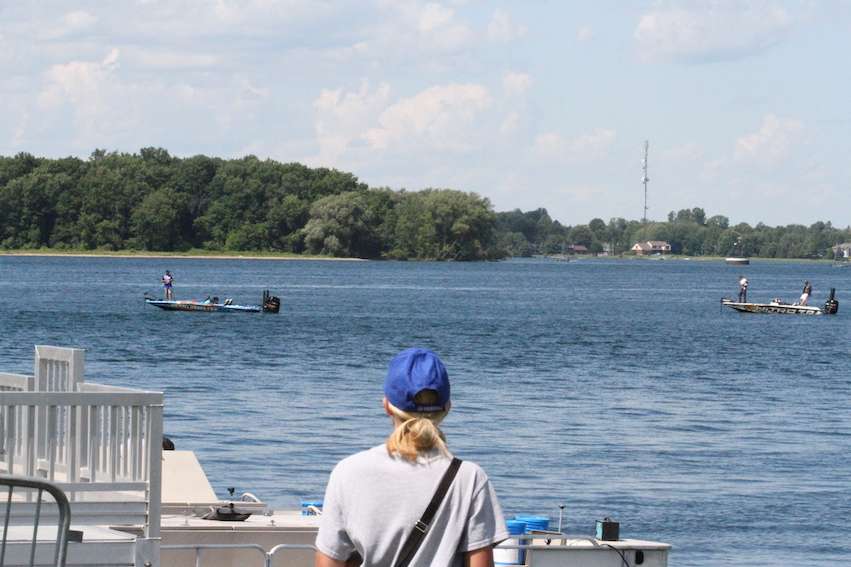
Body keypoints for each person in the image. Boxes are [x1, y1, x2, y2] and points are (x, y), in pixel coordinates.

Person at [315, 348, 508, 567]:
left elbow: (328, 562)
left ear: (387, 405)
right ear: (447, 407)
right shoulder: (469, 478)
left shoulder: (348, 472)